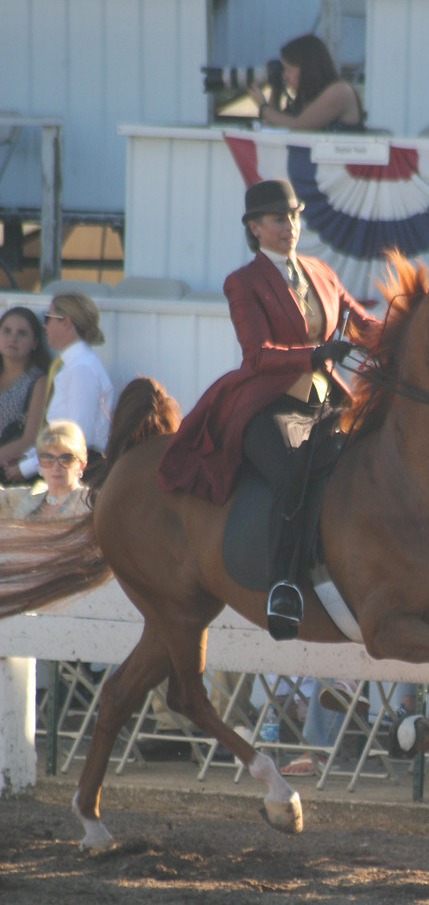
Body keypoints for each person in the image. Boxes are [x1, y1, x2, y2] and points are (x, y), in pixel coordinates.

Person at [158, 178, 380, 640]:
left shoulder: (321, 271)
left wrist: (416, 326)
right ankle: (284, 583)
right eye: (280, 219)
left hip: (324, 401)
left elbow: (363, 325)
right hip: (269, 403)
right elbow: (257, 354)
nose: (290, 226)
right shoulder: (243, 282)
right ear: (255, 228)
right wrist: (315, 356)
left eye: (295, 216)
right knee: (291, 468)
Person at [3, 293, 113, 486]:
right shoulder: (71, 366)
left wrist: (27, 467)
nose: (44, 325)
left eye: (48, 318)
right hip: (57, 466)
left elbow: (78, 439)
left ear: (66, 322)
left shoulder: (82, 369)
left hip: (77, 475)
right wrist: (25, 459)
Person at [249, 33, 365, 132]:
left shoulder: (340, 91)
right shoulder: (305, 99)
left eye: (289, 70)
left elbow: (300, 126)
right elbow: (273, 126)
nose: (285, 76)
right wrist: (276, 89)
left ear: (308, 69)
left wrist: (263, 108)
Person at [0, 420, 88, 520]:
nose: (56, 467)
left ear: (81, 464)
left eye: (65, 459)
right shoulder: (29, 497)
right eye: (47, 459)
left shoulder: (90, 504)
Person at [0, 306, 51, 472]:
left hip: (8, 469)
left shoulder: (38, 381)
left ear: (35, 342)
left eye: (21, 333)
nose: (13, 338)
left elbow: (29, 439)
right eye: (7, 331)